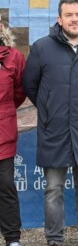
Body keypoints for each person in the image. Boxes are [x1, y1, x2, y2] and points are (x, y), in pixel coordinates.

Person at [23, 0, 78, 246]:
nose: (74, 19)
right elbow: (30, 85)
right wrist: (51, 108)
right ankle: (54, 239)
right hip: (54, 130)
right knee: (53, 189)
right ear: (59, 19)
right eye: (69, 15)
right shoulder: (42, 48)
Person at [0, 20, 26, 246]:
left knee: (5, 185)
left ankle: (12, 239)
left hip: (3, 134)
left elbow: (19, 92)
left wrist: (4, 112)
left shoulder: (14, 57)